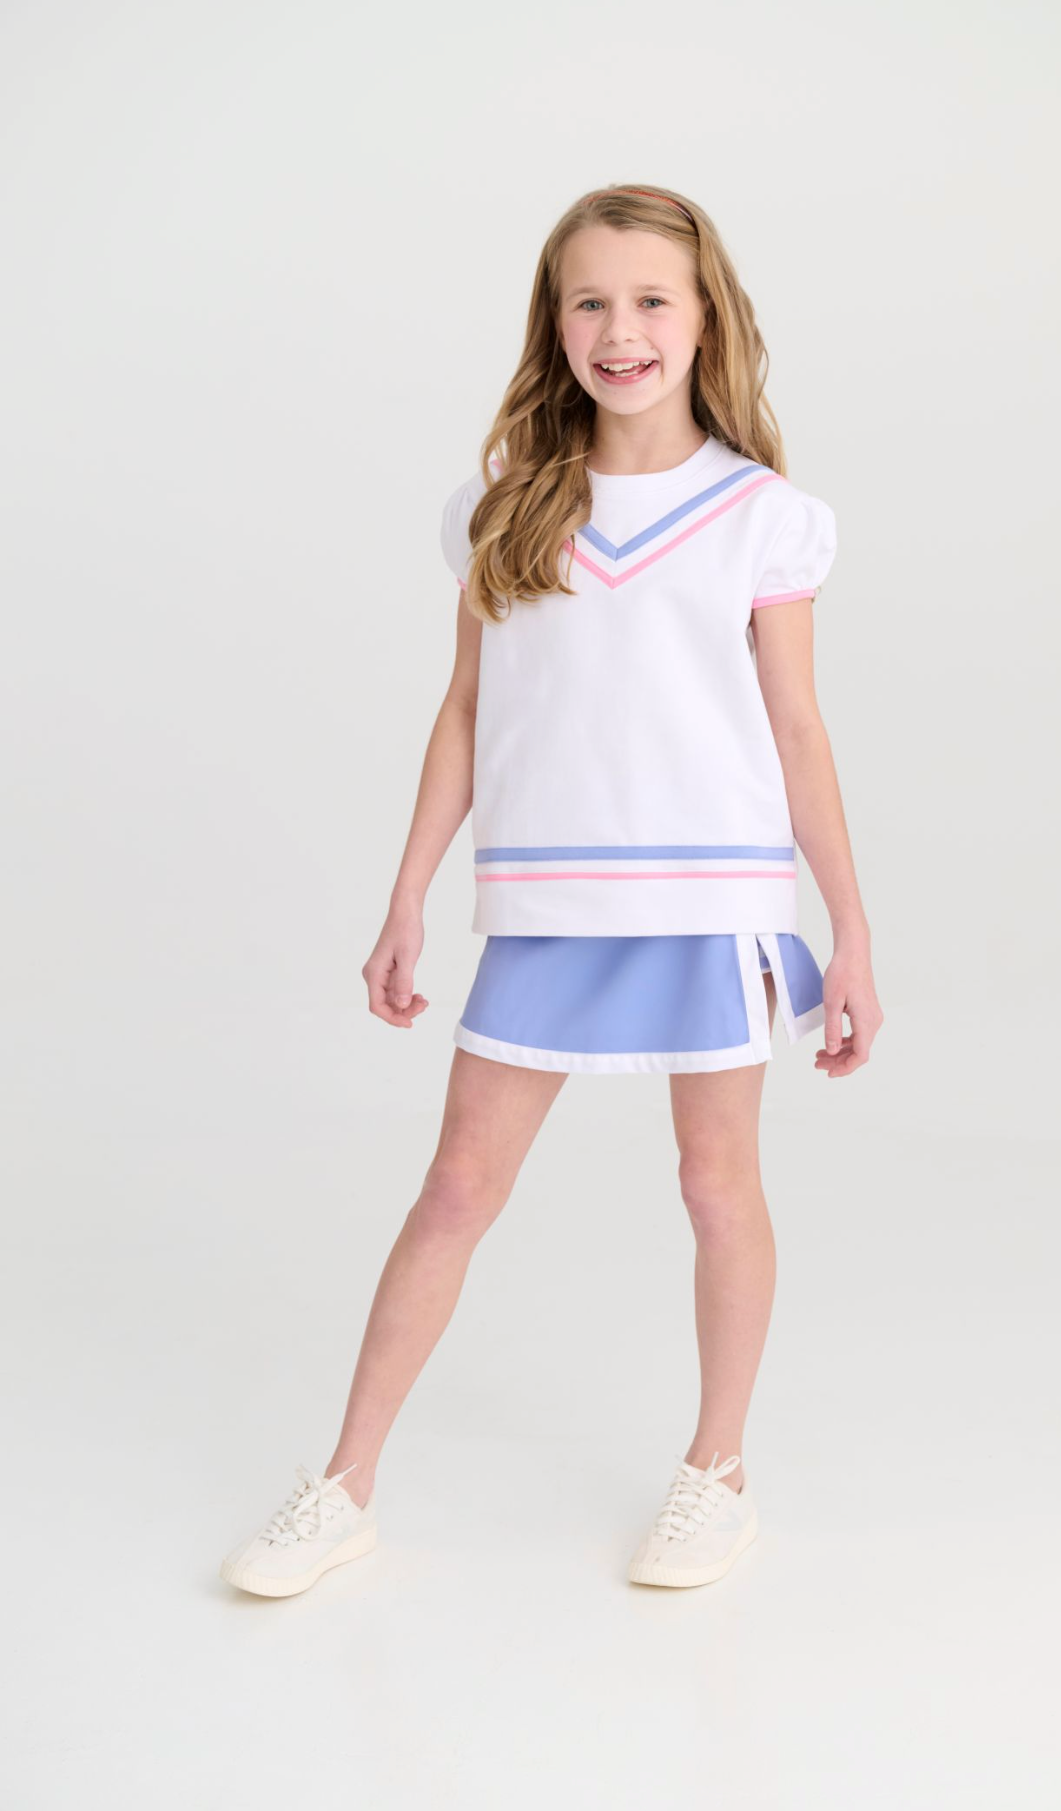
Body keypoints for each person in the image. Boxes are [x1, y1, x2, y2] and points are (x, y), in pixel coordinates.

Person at [219, 182, 883, 1600]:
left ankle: (717, 1472)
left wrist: (852, 932)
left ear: (704, 320)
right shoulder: (503, 507)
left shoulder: (762, 516)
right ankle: (343, 1484)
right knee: (458, 1184)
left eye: (650, 299)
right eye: (590, 300)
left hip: (711, 904)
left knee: (715, 1182)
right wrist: (407, 896)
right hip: (543, 905)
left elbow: (797, 728)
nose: (619, 329)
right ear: (554, 321)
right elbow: (466, 711)